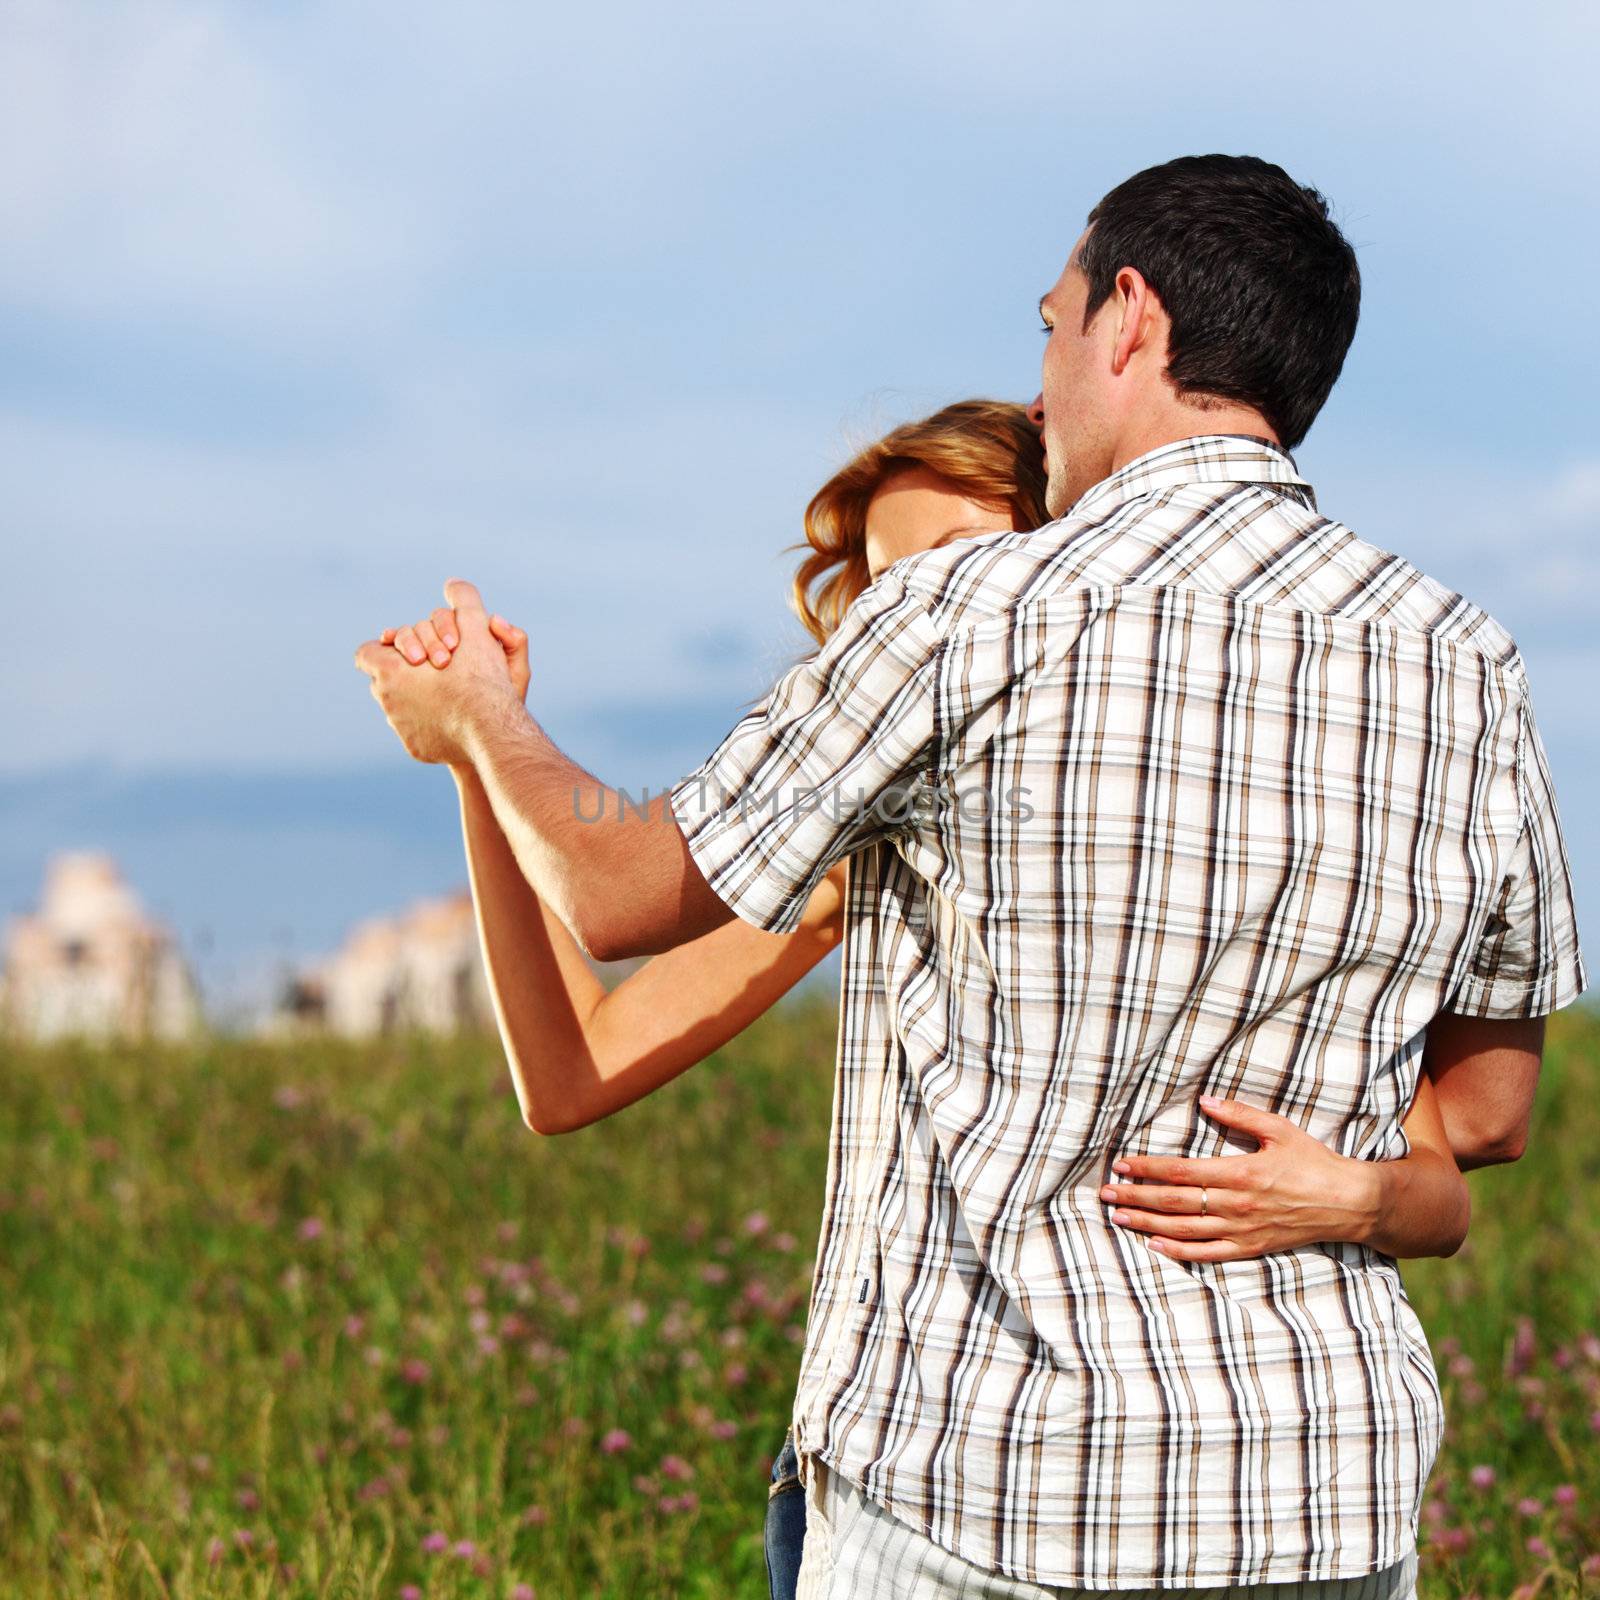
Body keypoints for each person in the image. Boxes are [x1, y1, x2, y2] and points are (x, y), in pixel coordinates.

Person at [354, 155, 1586, 1597]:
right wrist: (1369, 1198)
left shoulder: (978, 624)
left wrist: (489, 733)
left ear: (1127, 321)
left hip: (988, 1508)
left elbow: (616, 900)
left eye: (1050, 324)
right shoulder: (1466, 656)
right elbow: (1489, 1114)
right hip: (1319, 1497)